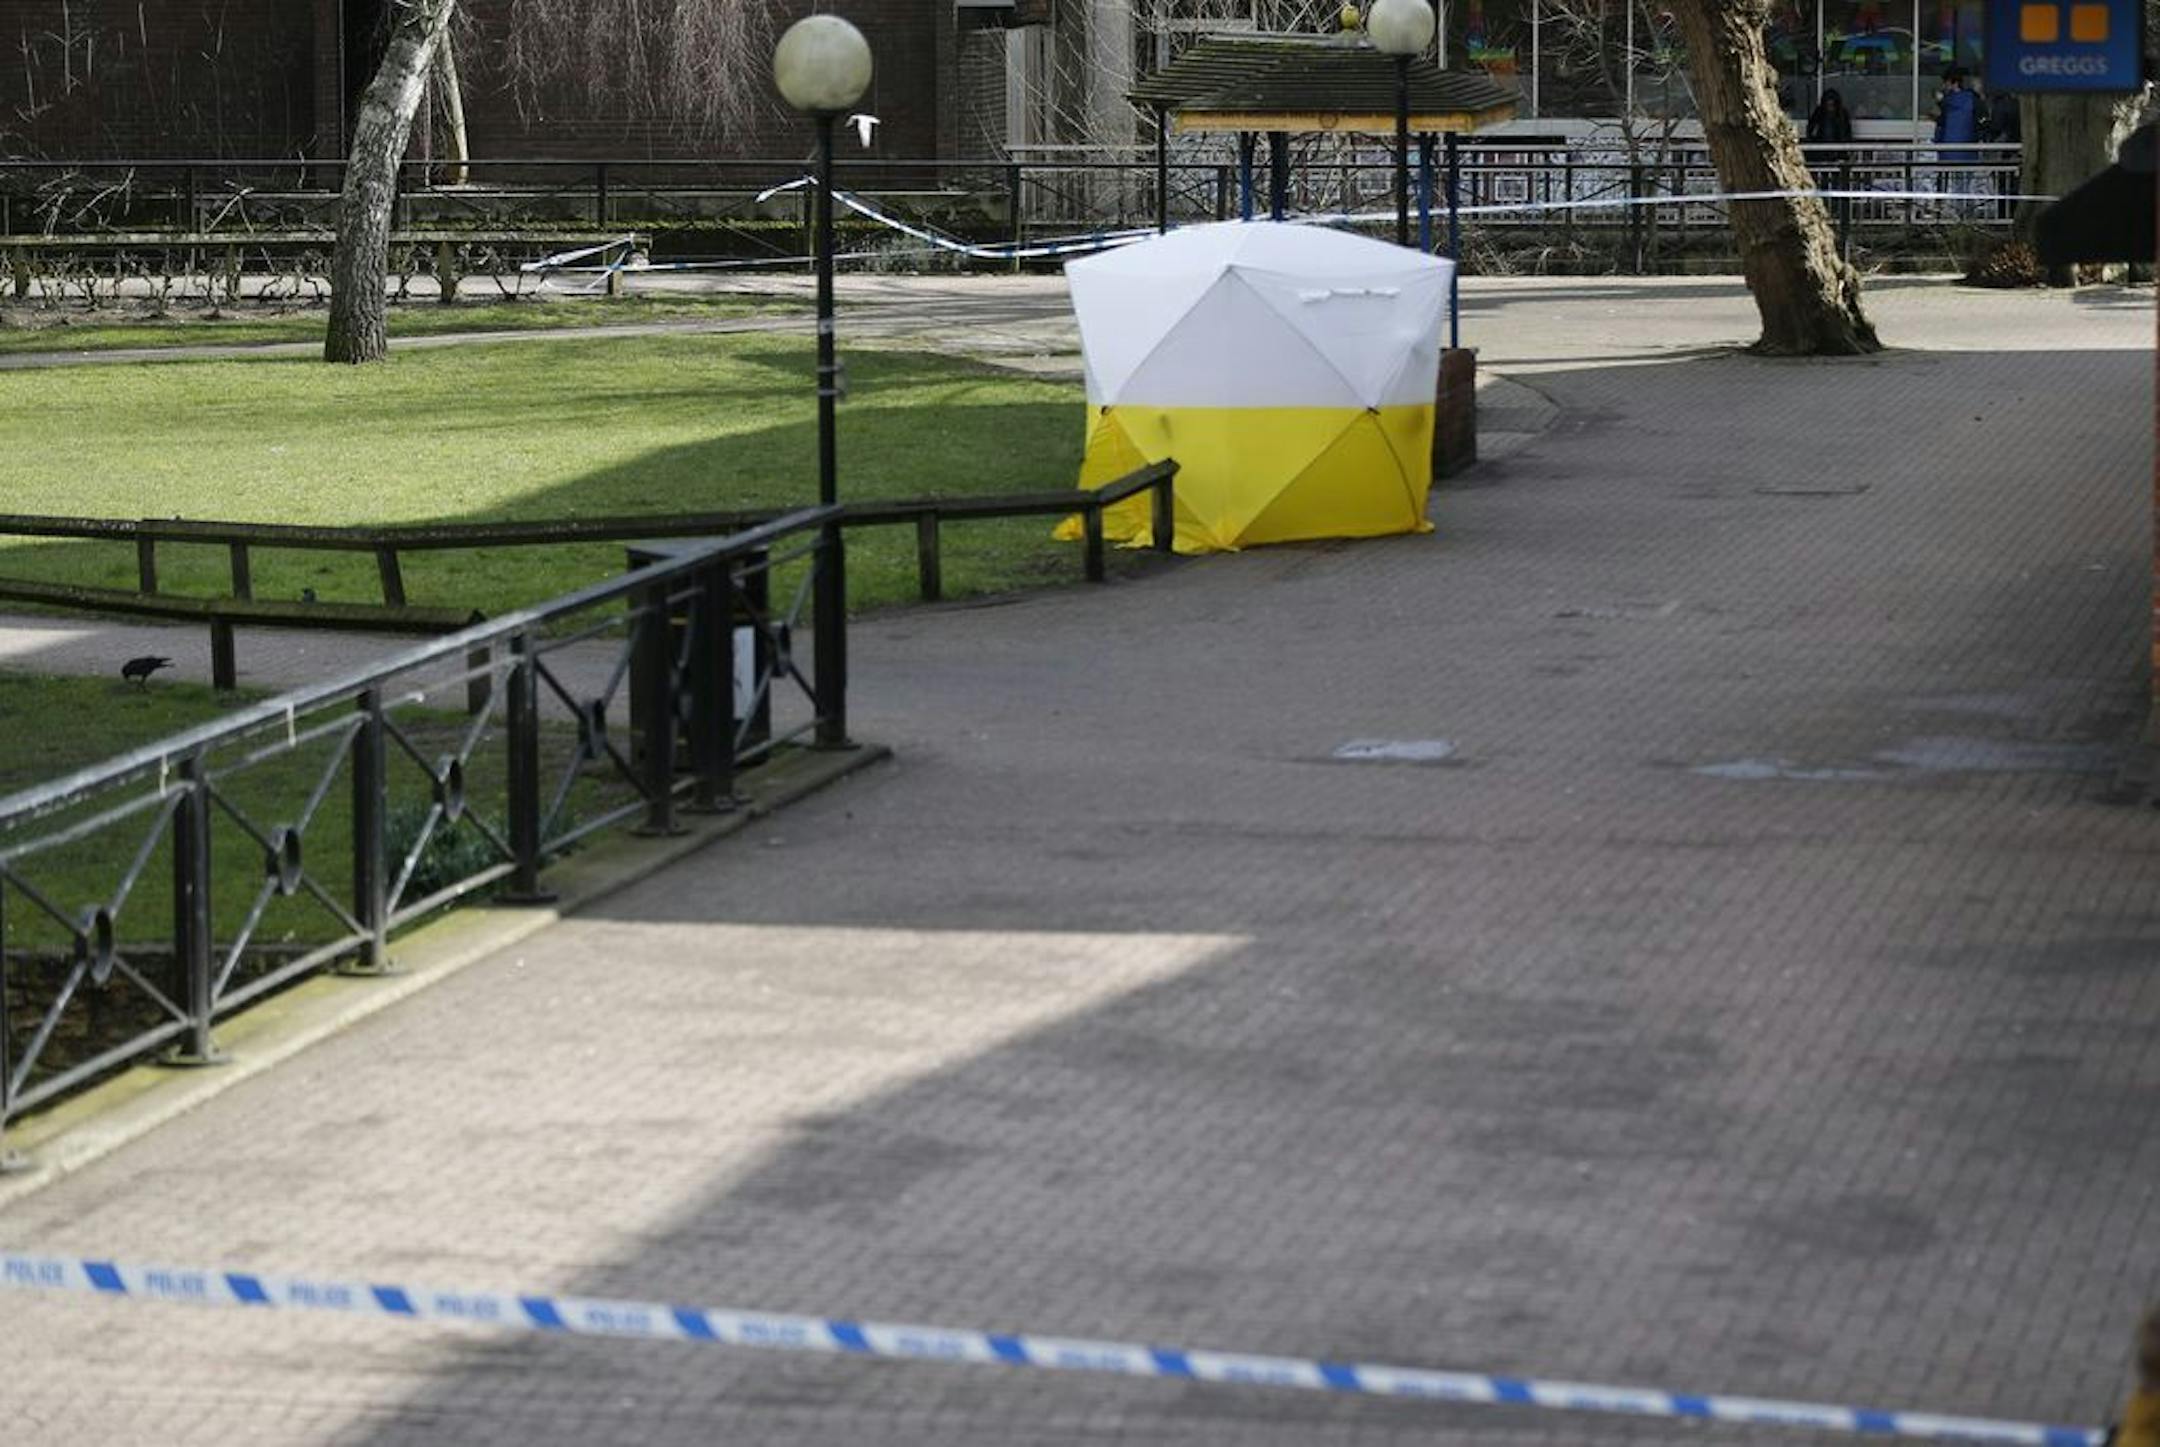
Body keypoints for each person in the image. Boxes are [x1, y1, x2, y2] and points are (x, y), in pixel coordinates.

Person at [1933, 67, 1982, 205]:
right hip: (1968, 150)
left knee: (1951, 185)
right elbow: (1981, 121)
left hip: (1948, 150)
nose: (1944, 86)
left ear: (1953, 83)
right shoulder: (1973, 99)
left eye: (1946, 83)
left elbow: (1940, 123)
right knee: (1965, 186)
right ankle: (1965, 215)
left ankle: (1951, 213)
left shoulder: (1946, 103)